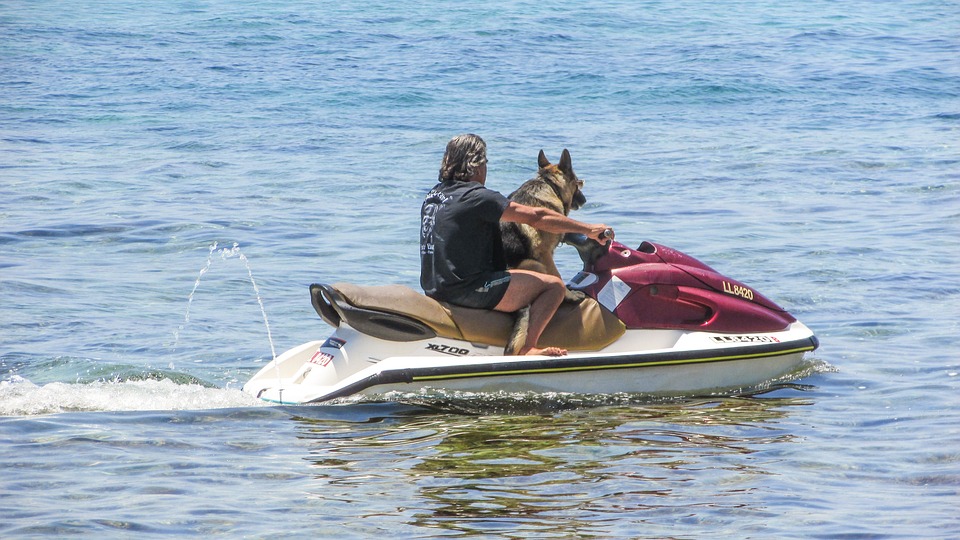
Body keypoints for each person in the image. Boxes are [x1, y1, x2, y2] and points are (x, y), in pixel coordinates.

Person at [420, 134, 613, 357]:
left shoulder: (435, 195)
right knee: (553, 286)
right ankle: (527, 347)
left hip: (436, 288)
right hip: (468, 289)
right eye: (485, 163)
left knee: (524, 274)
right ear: (477, 165)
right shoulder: (477, 197)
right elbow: (537, 217)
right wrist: (588, 229)